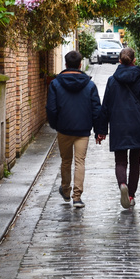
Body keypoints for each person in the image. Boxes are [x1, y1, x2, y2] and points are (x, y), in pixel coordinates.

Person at [95, 47, 140, 208]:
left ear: (119, 61)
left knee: (120, 161)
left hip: (118, 125)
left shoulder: (112, 80)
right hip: (138, 125)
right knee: (135, 162)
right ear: (134, 60)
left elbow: (106, 107)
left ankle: (122, 184)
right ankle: (131, 196)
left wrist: (101, 130)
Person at [46, 49, 102, 209]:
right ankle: (77, 198)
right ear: (80, 64)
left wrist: (55, 124)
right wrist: (98, 129)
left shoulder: (55, 84)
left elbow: (51, 108)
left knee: (66, 161)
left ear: (65, 64)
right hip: (83, 130)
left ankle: (65, 190)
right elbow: (96, 109)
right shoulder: (89, 85)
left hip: (63, 128)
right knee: (80, 162)